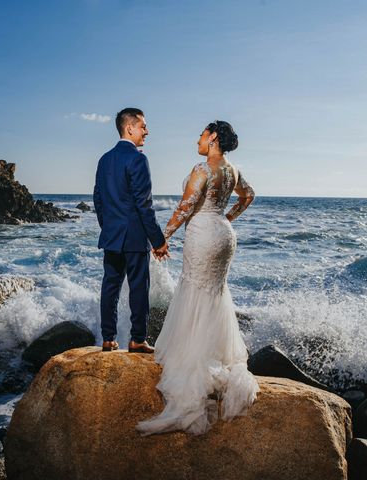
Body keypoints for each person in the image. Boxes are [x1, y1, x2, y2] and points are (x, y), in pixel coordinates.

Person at [136, 120, 259, 435]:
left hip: (204, 234)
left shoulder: (202, 170)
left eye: (202, 135)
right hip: (223, 234)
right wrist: (225, 218)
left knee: (194, 288)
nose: (198, 139)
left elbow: (185, 207)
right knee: (214, 292)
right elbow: (249, 196)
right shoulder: (233, 171)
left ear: (213, 137)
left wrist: (161, 238)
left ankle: (194, 362)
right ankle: (216, 355)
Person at [93, 108, 169, 354]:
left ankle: (108, 339)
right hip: (135, 236)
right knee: (138, 288)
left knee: (110, 286)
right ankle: (137, 339)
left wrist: (109, 227)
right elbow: (144, 205)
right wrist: (158, 240)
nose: (146, 131)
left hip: (112, 236)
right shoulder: (138, 159)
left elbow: (98, 199)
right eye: (143, 126)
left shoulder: (104, 159)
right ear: (130, 128)